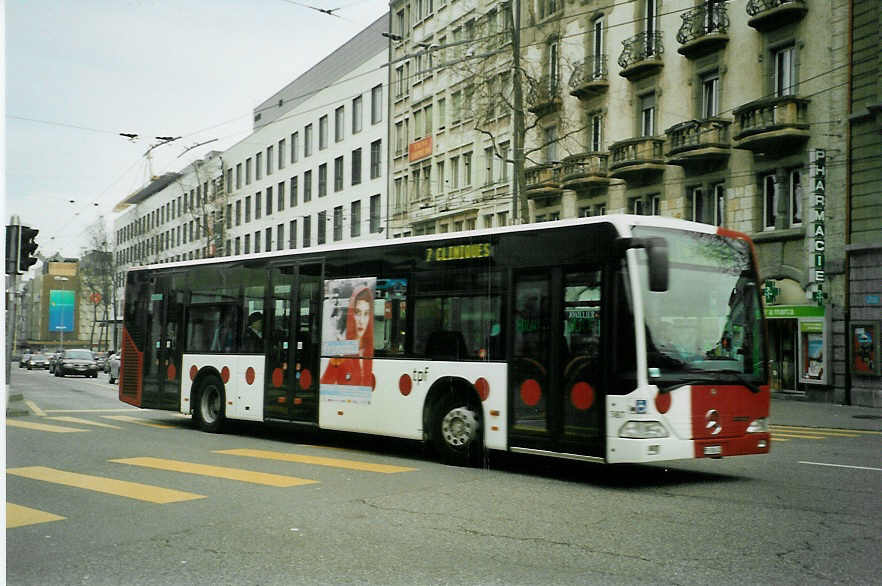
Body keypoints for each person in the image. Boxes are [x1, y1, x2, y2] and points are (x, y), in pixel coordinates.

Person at [321, 286, 374, 387]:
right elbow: (326, 383)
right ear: (351, 315)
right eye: (357, 313)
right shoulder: (341, 350)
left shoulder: (369, 350)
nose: (361, 321)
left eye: (366, 314)